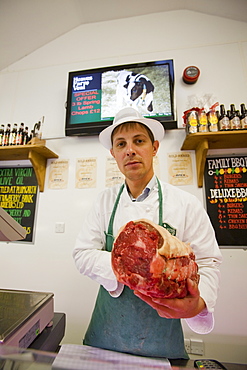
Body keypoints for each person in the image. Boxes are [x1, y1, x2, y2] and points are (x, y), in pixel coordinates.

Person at [73, 107, 222, 359]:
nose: (130, 150)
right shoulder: (104, 201)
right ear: (114, 154)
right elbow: (81, 254)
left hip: (162, 343)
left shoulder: (185, 203)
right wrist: (134, 269)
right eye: (121, 144)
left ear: (154, 148)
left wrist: (197, 304)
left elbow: (208, 262)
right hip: (105, 335)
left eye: (138, 141)